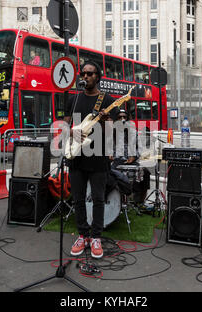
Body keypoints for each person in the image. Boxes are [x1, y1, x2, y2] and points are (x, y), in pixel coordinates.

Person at [63, 61, 118, 259]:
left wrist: (106, 124)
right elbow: (64, 126)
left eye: (90, 74)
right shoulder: (74, 99)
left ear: (98, 76)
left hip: (98, 157)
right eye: (83, 73)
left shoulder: (106, 99)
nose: (85, 77)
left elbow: (112, 130)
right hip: (77, 156)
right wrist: (70, 132)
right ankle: (82, 235)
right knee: (77, 199)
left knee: (98, 199)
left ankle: (95, 237)